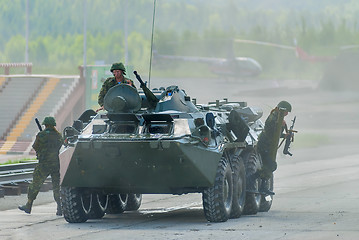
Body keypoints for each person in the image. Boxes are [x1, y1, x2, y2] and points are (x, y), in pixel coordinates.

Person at [18, 117, 63, 215]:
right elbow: (61, 145)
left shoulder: (41, 135)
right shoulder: (58, 136)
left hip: (43, 165)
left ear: (45, 125)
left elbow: (35, 146)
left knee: (35, 185)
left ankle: (28, 205)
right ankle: (60, 208)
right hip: (55, 164)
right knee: (56, 186)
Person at [257, 100, 292, 180]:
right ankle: (257, 178)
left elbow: (276, 134)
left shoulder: (277, 117)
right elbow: (272, 133)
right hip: (264, 145)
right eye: (286, 112)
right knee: (271, 165)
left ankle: (263, 184)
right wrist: (282, 126)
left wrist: (284, 135)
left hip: (268, 146)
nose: (287, 114)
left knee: (269, 165)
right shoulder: (274, 118)